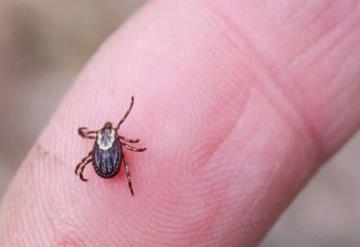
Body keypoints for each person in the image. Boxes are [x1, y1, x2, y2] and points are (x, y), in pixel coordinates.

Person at [0, 0, 359, 246]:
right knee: (124, 168)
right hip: (111, 168)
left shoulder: (102, 143)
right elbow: (120, 154)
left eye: (108, 134)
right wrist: (114, 156)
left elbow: (98, 156)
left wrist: (90, 162)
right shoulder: (116, 140)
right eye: (109, 134)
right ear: (110, 136)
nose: (110, 134)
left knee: (120, 167)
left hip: (105, 166)